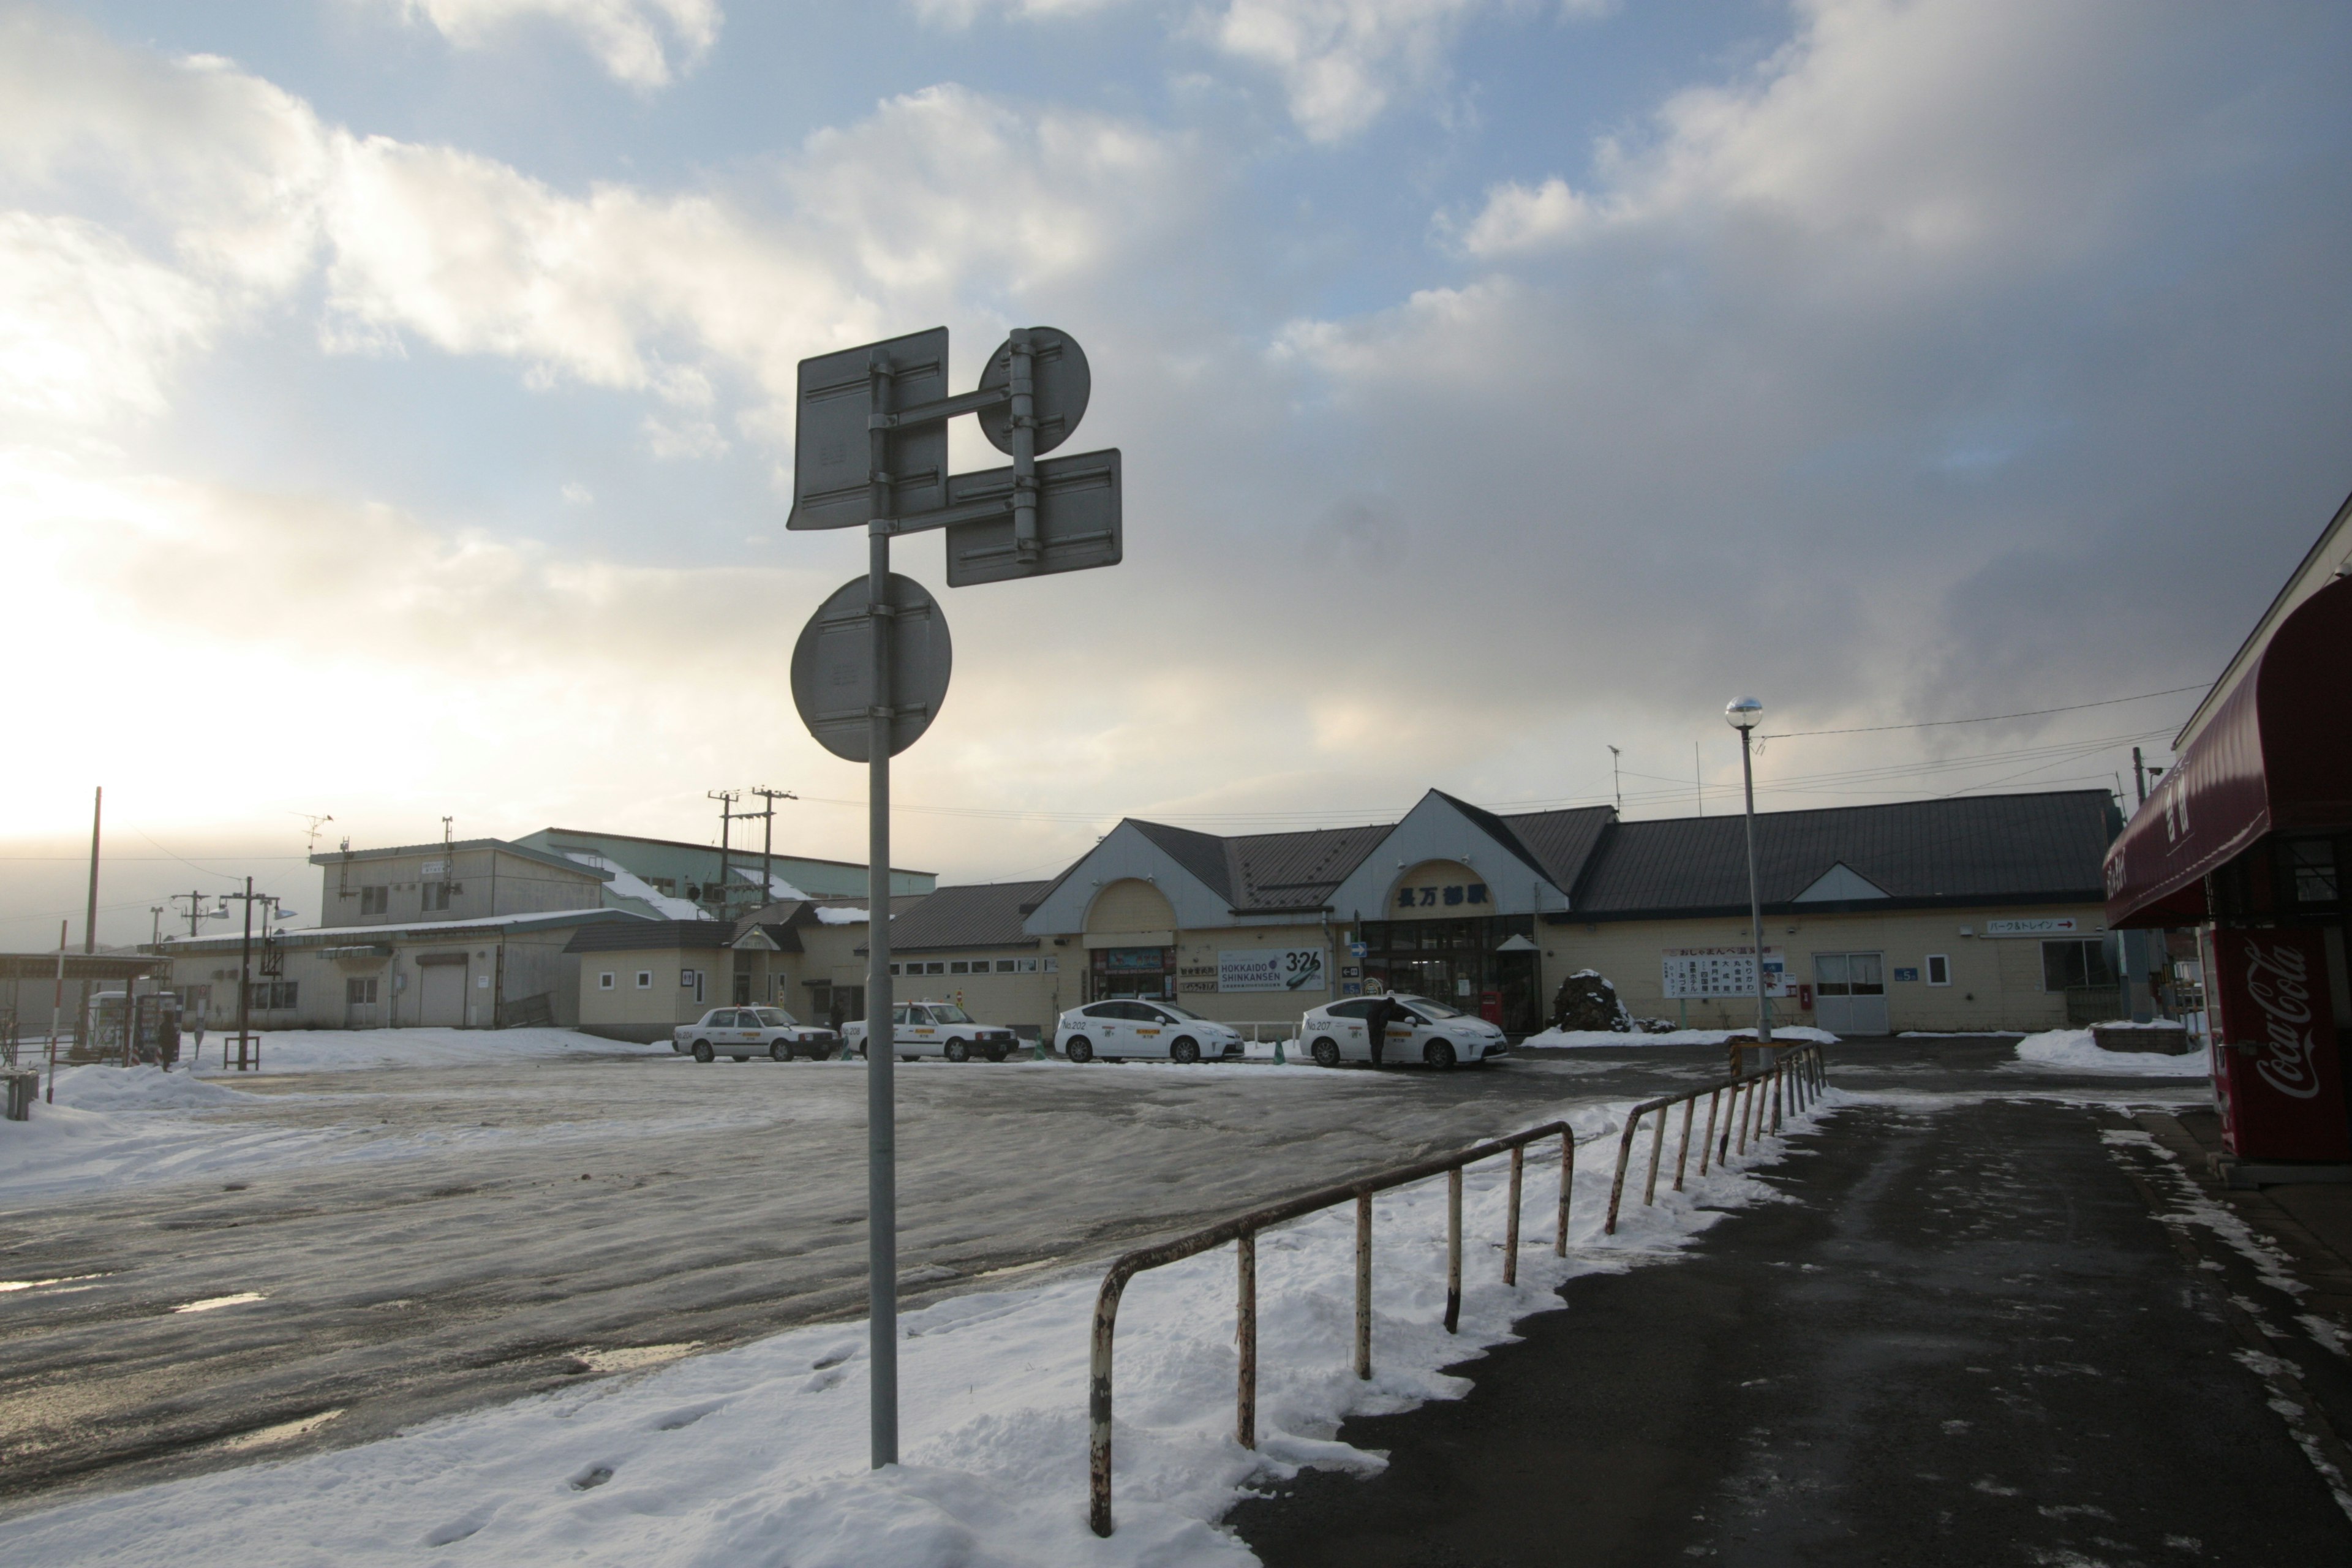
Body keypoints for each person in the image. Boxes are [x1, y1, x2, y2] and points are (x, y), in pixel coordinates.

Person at [1363, 992, 1404, 1068]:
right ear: (1392, 1004)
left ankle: (1375, 1063)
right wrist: (1383, 1027)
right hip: (1377, 1028)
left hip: (1371, 1026)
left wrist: (1370, 1024)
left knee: (1373, 1045)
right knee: (1378, 1046)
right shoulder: (1387, 1008)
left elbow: (1368, 1014)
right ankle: (1378, 1064)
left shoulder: (1377, 1005)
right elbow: (1383, 1018)